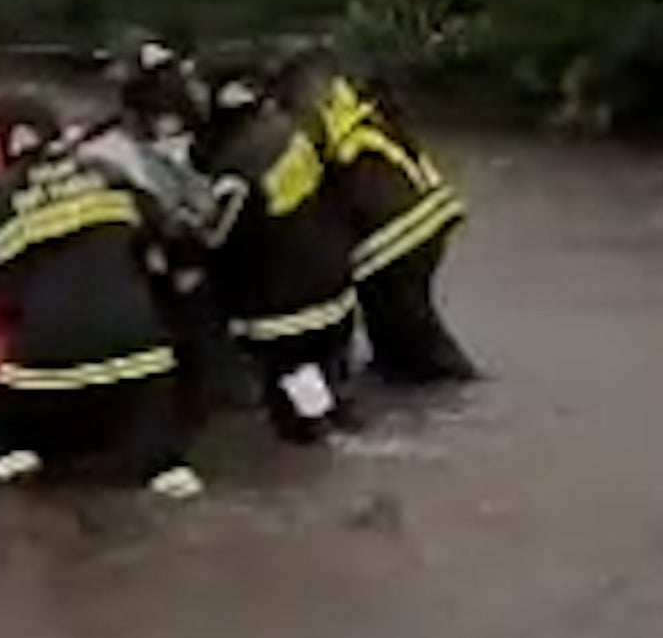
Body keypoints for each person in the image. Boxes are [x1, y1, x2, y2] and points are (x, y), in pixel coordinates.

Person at [0, 89, 205, 500]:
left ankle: (20, 462)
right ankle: (165, 471)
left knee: (7, 456)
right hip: (138, 361)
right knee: (163, 467)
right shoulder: (110, 175)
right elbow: (177, 242)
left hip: (45, 370)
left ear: (9, 140)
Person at [270, 45, 479, 387]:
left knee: (412, 327)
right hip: (424, 219)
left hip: (393, 237)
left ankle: (454, 386)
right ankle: (405, 379)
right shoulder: (357, 106)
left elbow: (304, 174)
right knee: (393, 325)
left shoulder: (318, 115)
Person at [71, 36, 241, 428]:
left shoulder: (158, 147)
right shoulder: (113, 153)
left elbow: (193, 206)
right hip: (155, 281)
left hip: (173, 279)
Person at [193, 66, 361, 442]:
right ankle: (339, 424)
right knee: (328, 381)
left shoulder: (236, 167)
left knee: (295, 410)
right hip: (335, 286)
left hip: (284, 307)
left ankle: (317, 443)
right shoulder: (296, 132)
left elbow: (215, 239)